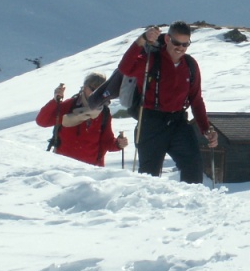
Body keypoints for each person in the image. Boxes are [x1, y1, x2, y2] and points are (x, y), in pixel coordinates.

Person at [118, 21, 218, 183]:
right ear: (167, 39)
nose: (180, 48)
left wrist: (206, 129)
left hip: (178, 122)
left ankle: (192, 199)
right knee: (149, 176)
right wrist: (142, 39)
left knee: (193, 166)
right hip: (150, 123)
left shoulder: (190, 65)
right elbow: (125, 68)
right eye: (176, 43)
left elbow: (196, 99)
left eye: (185, 44)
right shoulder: (150, 60)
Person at [36, 72, 128, 167]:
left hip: (91, 170)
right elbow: (42, 121)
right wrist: (55, 101)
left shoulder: (104, 113)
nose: (95, 93)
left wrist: (118, 144)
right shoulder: (70, 105)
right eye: (93, 88)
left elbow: (107, 141)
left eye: (100, 90)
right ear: (84, 87)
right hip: (63, 167)